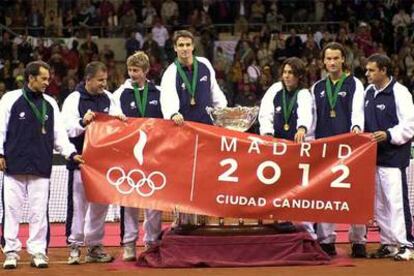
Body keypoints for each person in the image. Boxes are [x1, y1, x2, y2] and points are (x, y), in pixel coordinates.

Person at [0, 61, 83, 269]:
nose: (48, 82)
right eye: (44, 78)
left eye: (49, 78)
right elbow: (0, 128)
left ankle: (38, 251)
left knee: (39, 212)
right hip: (14, 165)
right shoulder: (10, 99)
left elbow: (59, 135)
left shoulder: (51, 103)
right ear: (31, 78)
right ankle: (11, 251)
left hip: (41, 165)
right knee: (11, 211)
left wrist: (71, 152)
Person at [160, 29, 227, 224]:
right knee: (183, 175)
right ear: (174, 48)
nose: (185, 48)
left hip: (207, 130)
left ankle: (204, 213)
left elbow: (215, 92)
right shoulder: (171, 72)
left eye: (188, 44)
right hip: (183, 132)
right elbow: (167, 99)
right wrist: (173, 113)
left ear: (193, 46)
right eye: (180, 45)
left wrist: (223, 111)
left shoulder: (204, 65)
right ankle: (181, 217)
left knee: (206, 173)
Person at [61, 61, 124, 265]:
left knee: (100, 207)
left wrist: (120, 120)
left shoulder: (109, 98)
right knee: (78, 206)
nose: (104, 84)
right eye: (100, 80)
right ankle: (74, 246)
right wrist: (83, 122)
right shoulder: (74, 99)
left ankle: (94, 246)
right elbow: (67, 130)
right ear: (88, 80)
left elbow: (118, 126)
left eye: (105, 80)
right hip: (81, 161)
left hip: (103, 164)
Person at [311, 42, 367, 257]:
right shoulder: (317, 87)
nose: (332, 62)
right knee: (325, 193)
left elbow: (358, 111)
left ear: (344, 59)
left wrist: (356, 129)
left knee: (354, 192)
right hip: (324, 147)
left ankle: (359, 240)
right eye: (328, 59)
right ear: (323, 61)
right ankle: (326, 240)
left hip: (350, 146)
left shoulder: (354, 84)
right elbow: (313, 117)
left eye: (336, 58)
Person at [113, 51, 163, 261]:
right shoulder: (119, 94)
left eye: (136, 70)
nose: (132, 74)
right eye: (130, 70)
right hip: (128, 155)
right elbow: (112, 122)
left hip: (155, 154)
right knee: (129, 200)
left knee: (155, 201)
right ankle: (129, 244)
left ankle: (152, 242)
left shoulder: (159, 93)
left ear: (145, 71)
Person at [258, 57, 315, 238]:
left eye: (291, 73)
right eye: (285, 72)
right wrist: (267, 133)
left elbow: (305, 112)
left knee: (301, 187)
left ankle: (308, 230)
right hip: (278, 146)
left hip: (297, 146)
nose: (287, 76)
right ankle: (281, 220)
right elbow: (265, 113)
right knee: (279, 185)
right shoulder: (275, 90)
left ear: (299, 76)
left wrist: (302, 128)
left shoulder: (304, 93)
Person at [364, 54, 414, 260]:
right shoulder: (368, 92)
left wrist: (389, 134)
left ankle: (406, 245)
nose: (367, 74)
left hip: (394, 156)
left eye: (371, 70)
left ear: (383, 70)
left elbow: (410, 125)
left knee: (396, 202)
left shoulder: (399, 92)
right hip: (373, 157)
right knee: (379, 204)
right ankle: (388, 242)